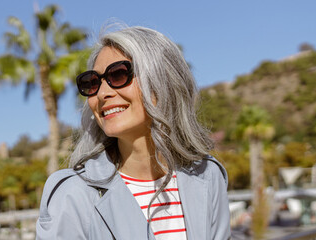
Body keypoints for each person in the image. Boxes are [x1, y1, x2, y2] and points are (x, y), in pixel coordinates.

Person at [36, 26, 230, 240]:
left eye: (118, 74)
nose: (102, 93)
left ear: (162, 80)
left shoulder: (208, 175)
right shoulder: (71, 194)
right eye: (92, 83)